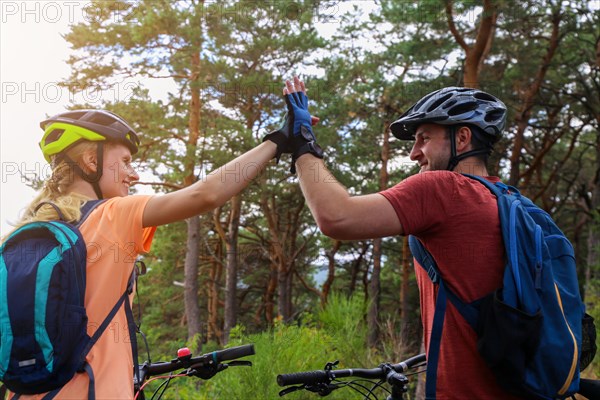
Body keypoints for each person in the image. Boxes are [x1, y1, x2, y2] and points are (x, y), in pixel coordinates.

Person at [5, 108, 293, 399]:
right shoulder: (112, 215)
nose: (135, 173)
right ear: (92, 161)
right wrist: (276, 142)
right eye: (126, 162)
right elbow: (205, 194)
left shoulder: (22, 234)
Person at [282, 77, 521, 399]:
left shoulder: (444, 188)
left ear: (462, 138)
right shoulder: (506, 200)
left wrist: (302, 145)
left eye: (424, 139)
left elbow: (336, 217)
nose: (413, 153)